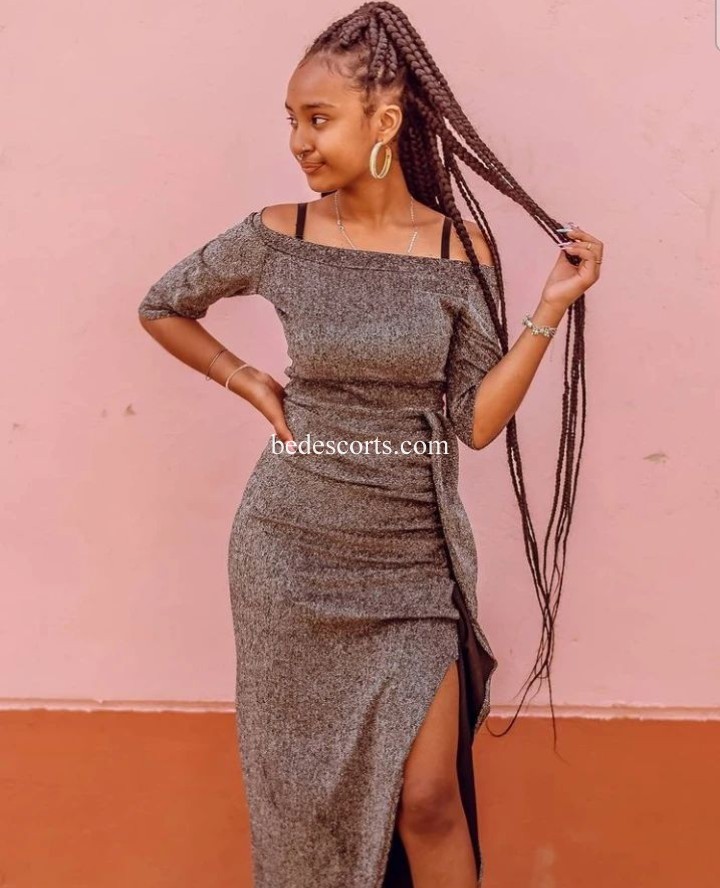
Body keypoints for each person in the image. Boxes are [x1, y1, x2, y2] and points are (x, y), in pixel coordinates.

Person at [137, 3, 603, 886]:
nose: (299, 142)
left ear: (384, 121)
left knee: (430, 798)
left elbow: (473, 421)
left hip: (412, 561)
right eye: (291, 120)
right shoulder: (279, 236)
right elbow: (163, 304)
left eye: (318, 119)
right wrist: (246, 379)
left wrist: (548, 309)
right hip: (289, 550)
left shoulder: (461, 249)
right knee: (302, 800)